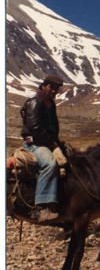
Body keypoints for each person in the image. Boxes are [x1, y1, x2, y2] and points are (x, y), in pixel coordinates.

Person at [21, 75, 67, 222]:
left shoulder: (50, 103)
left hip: (47, 142)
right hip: (35, 143)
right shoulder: (35, 102)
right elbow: (34, 127)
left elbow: (52, 127)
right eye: (51, 87)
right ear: (43, 86)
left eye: (56, 88)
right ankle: (39, 207)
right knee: (49, 164)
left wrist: (58, 143)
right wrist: (52, 145)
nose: (54, 91)